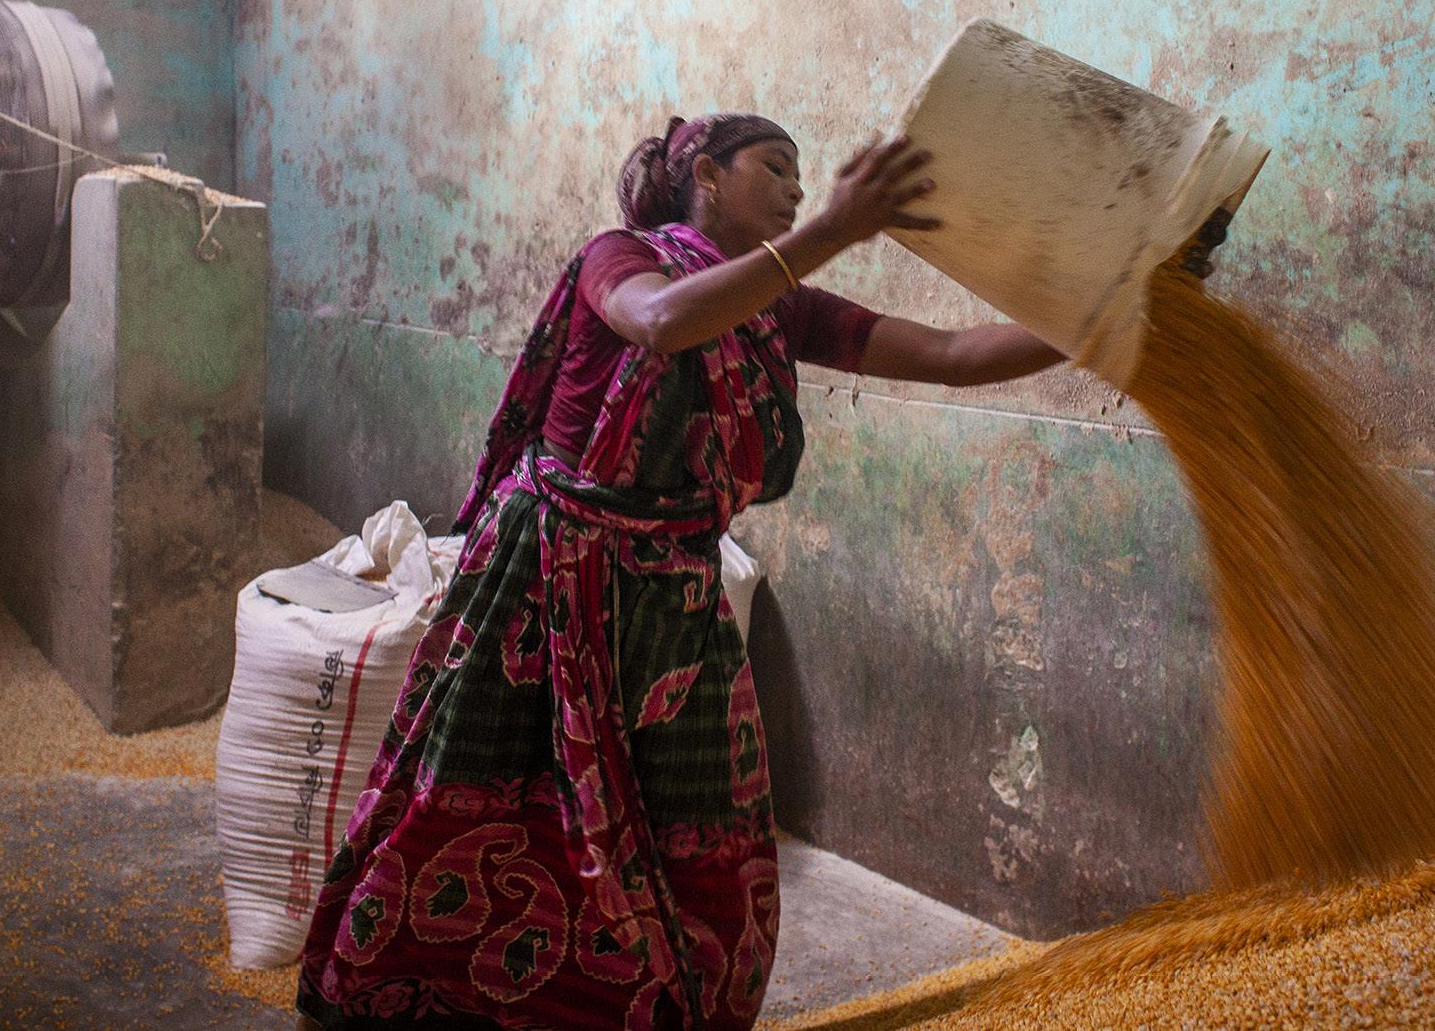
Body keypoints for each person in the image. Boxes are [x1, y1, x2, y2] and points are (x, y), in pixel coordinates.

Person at [296, 114, 1065, 1030]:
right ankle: (415, 995)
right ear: (705, 171)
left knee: (706, 831)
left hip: (674, 596)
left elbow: (946, 354)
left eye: (801, 179)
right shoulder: (618, 255)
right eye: (775, 168)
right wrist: (830, 230)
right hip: (547, 577)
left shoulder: (779, 304)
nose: (792, 190)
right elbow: (659, 322)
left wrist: (1103, 322)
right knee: (492, 800)